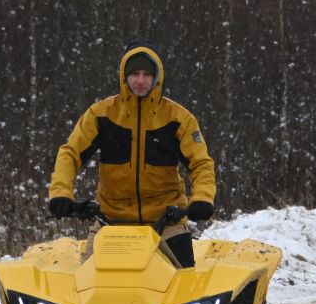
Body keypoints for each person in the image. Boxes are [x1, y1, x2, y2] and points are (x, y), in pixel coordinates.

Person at [47, 43, 215, 265]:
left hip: (166, 222)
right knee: (84, 287)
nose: (140, 80)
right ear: (124, 76)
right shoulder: (101, 114)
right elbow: (70, 153)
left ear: (157, 77)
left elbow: (201, 164)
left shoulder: (179, 118)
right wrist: (61, 193)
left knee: (187, 287)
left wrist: (202, 199)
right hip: (110, 221)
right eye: (134, 73)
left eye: (147, 74)